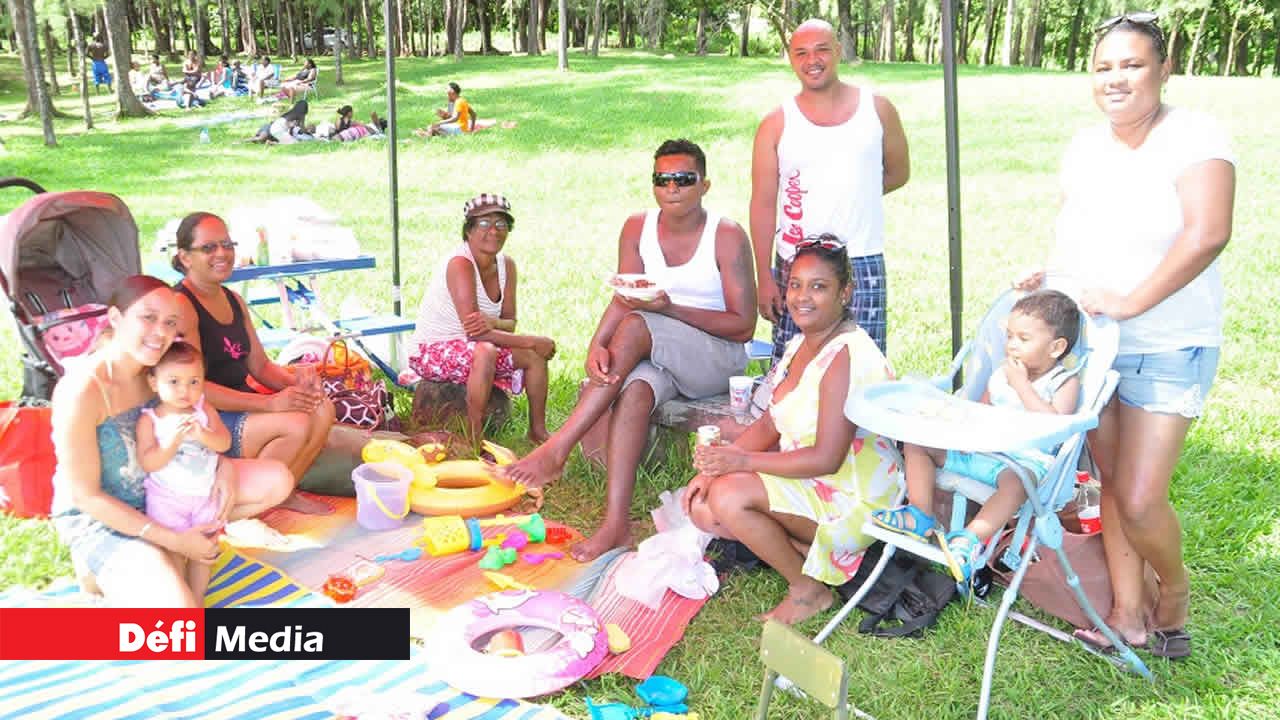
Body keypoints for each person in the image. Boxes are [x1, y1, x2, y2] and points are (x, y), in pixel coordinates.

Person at [1019, 13, 1234, 660]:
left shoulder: (1196, 137)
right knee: (1110, 482)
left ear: (1164, 69)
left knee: (1141, 497)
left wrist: (1131, 302)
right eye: (1104, 67)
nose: (1116, 79)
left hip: (1169, 344)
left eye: (1132, 64)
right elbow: (1076, 231)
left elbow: (1208, 234)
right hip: (1096, 344)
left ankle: (1173, 590)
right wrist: (1050, 280)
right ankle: (1129, 613)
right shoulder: (1086, 147)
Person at [502, 139, 757, 562]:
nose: (672, 188)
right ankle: (616, 524)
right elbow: (626, 295)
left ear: (705, 185)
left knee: (638, 325)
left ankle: (558, 447)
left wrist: (668, 309)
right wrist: (596, 345)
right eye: (662, 179)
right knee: (636, 390)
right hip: (661, 355)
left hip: (717, 358)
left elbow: (743, 325)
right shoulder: (637, 227)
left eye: (684, 179)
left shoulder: (726, 235)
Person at [682, 237, 898, 624]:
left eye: (819, 286)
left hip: (853, 496)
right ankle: (811, 554)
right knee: (703, 507)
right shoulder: (802, 342)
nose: (802, 297)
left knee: (729, 497)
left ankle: (808, 590)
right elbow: (769, 422)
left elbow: (827, 458)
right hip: (815, 481)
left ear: (845, 292)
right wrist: (710, 469)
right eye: (796, 284)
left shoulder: (847, 355)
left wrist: (739, 462)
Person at [49, 275, 293, 607]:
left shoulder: (161, 371)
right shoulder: (81, 390)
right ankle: (101, 568)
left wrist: (223, 470)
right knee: (180, 618)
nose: (161, 332)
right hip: (104, 517)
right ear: (116, 318)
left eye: (170, 322)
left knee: (277, 479)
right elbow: (86, 497)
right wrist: (175, 541)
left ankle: (185, 540)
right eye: (148, 317)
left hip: (165, 490)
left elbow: (201, 430)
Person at [870, 290, 1083, 583]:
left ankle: (970, 539)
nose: (1011, 346)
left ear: (1056, 347)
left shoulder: (1063, 381)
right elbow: (979, 413)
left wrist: (1022, 386)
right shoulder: (1000, 375)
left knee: (1017, 484)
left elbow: (1055, 426)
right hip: (980, 451)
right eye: (1009, 336)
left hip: (1021, 463)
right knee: (917, 442)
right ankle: (920, 513)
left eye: (1023, 338)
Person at [750, 18, 910, 362]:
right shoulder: (777, 123)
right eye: (801, 53)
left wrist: (855, 193)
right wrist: (765, 276)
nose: (813, 61)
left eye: (822, 49)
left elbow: (898, 173)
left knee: (862, 363)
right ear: (790, 59)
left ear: (838, 51)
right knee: (793, 364)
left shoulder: (878, 109)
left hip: (861, 257)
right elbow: (763, 203)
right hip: (796, 261)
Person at [171, 212, 336, 515]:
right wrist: (270, 405)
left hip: (240, 406)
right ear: (185, 257)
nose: (221, 253)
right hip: (204, 418)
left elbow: (259, 366)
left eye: (226, 244)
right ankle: (242, 505)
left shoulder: (233, 299)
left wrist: (299, 383)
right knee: (294, 423)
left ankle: (283, 493)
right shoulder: (182, 305)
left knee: (322, 407)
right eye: (208, 248)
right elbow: (194, 389)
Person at [407, 194, 557, 447]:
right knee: (487, 351)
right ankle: (474, 436)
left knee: (533, 357)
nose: (494, 232)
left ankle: (537, 431)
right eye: (485, 224)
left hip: (472, 347)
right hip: (432, 351)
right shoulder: (460, 264)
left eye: (501, 225)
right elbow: (475, 334)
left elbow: (509, 321)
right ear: (469, 230)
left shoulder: (506, 265)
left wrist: (494, 323)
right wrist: (532, 340)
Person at [136, 341, 231, 600]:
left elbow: (224, 442)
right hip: (167, 498)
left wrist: (203, 434)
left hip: (204, 495)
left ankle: (197, 598)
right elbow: (149, 463)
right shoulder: (151, 420)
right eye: (174, 381)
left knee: (206, 549)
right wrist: (170, 444)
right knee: (175, 551)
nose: (185, 391)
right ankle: (180, 597)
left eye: (194, 382)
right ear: (154, 383)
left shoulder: (203, 411)